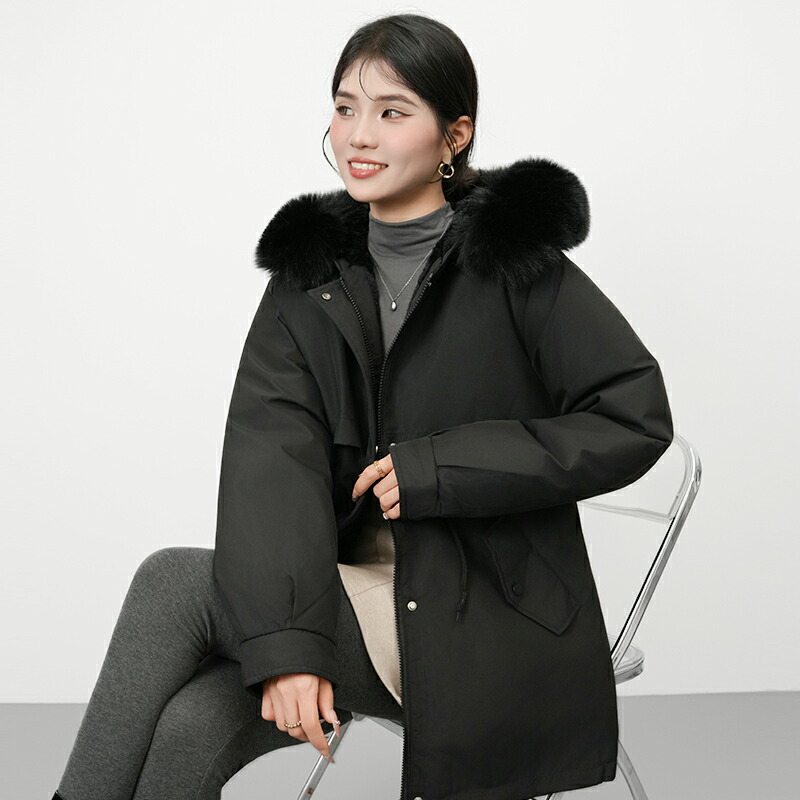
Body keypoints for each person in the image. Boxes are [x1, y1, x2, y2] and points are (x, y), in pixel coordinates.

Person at [54, 12, 674, 800]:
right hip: (348, 591)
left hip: (484, 610)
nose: (359, 134)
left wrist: (441, 468)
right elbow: (272, 461)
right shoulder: (310, 279)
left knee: (173, 584)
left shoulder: (516, 265)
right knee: (190, 726)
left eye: (392, 111)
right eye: (346, 107)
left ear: (454, 136)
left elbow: (632, 418)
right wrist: (287, 648)